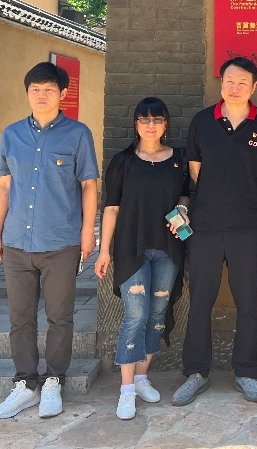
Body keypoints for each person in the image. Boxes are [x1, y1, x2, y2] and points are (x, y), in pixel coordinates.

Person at [0, 62, 99, 419]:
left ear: (62, 93)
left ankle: (54, 380)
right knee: (20, 317)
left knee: (59, 316)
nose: (41, 95)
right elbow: (3, 185)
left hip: (61, 241)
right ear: (27, 93)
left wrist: (87, 232)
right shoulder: (11, 134)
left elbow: (89, 185)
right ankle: (25, 383)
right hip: (17, 240)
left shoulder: (78, 134)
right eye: (35, 89)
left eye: (49, 89)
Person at [173, 57, 257, 406]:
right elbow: (195, 171)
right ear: (221, 83)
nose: (234, 87)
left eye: (242, 82)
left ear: (254, 87)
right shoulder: (202, 122)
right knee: (200, 301)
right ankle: (196, 373)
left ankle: (246, 372)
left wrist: (244, 199)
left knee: (247, 302)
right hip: (205, 226)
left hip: (247, 227)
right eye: (229, 81)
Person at [95, 98, 191, 420]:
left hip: (168, 249)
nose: (151, 125)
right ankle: (126, 391)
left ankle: (141, 377)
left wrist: (183, 208)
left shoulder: (178, 159)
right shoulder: (122, 162)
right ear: (135, 124)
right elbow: (111, 208)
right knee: (135, 315)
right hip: (131, 248)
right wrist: (103, 250)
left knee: (157, 313)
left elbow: (185, 192)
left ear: (166, 124)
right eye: (144, 119)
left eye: (157, 119)